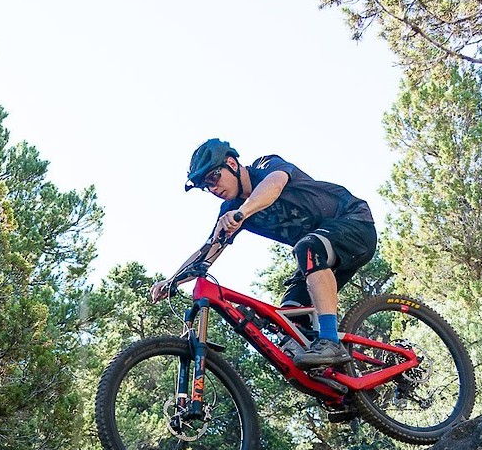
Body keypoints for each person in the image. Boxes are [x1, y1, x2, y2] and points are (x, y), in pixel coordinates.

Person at [151, 138, 379, 367]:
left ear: (231, 163)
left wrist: (242, 214)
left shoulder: (265, 166)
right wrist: (173, 280)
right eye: (206, 186)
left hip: (354, 223)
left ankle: (331, 342)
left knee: (308, 248)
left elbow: (274, 185)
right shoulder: (230, 209)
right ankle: (338, 383)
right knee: (288, 318)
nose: (213, 189)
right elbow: (207, 253)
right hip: (320, 258)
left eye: (213, 177)